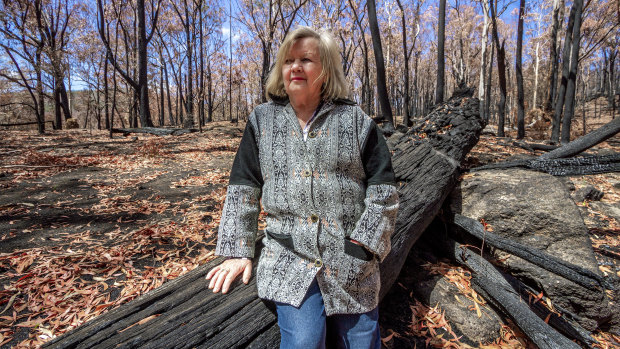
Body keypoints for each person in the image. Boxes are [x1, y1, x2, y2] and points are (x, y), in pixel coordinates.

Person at [206, 26, 398, 349]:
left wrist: (364, 246)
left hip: (349, 259)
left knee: (362, 344)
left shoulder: (356, 121)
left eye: (306, 60)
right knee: (306, 341)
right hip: (288, 256)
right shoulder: (261, 121)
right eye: (288, 60)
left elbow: (384, 192)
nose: (295, 67)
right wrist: (238, 251)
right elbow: (244, 187)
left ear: (325, 71)